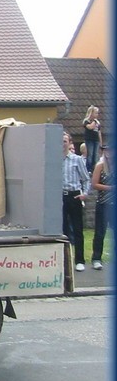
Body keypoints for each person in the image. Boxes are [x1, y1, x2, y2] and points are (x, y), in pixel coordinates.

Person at [62, 131, 90, 272]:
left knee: (77, 228)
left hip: (74, 196)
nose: (62, 144)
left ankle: (79, 260)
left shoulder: (76, 159)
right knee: (63, 229)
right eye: (60, 141)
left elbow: (86, 179)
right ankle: (64, 260)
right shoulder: (54, 159)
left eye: (65, 141)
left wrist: (84, 194)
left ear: (70, 143)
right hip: (60, 196)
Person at [90, 143, 112, 270]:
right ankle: (96, 258)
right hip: (103, 204)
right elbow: (94, 184)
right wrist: (110, 188)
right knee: (100, 232)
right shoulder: (100, 165)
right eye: (106, 150)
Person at [83, 105, 102, 173]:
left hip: (96, 140)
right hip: (89, 139)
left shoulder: (98, 122)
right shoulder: (86, 121)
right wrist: (94, 121)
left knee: (96, 155)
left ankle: (95, 169)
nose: (97, 114)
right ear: (91, 113)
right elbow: (90, 127)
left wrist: (101, 142)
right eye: (95, 113)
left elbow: (99, 132)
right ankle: (88, 169)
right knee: (90, 154)